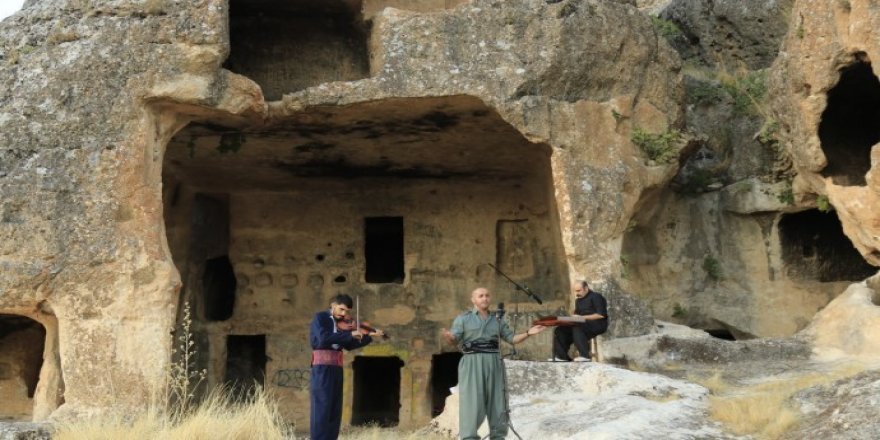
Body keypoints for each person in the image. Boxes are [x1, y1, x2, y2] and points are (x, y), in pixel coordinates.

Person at [441, 287, 547, 440]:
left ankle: (498, 436)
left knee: (498, 402)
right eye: (480, 296)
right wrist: (449, 336)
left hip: (494, 361)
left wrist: (529, 333)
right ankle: (469, 437)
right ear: (473, 299)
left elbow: (511, 339)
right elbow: (454, 340)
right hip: (472, 362)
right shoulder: (463, 318)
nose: (484, 298)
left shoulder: (497, 320)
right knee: (472, 403)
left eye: (487, 295)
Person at [309, 294, 383, 440]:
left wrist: (369, 336)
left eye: (346, 311)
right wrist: (351, 334)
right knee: (322, 408)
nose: (344, 314)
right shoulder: (321, 318)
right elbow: (324, 338)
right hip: (322, 368)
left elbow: (349, 345)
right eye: (341, 309)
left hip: (336, 368)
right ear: (333, 305)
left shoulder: (341, 324)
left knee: (335, 409)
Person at [551, 280, 608, 362]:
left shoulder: (596, 297)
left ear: (586, 288)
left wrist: (582, 317)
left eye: (579, 290)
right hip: (582, 324)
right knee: (560, 330)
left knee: (577, 326)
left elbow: (601, 315)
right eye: (575, 291)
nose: (577, 293)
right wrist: (569, 319)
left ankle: (585, 356)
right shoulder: (578, 300)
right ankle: (561, 356)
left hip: (597, 324)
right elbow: (577, 316)